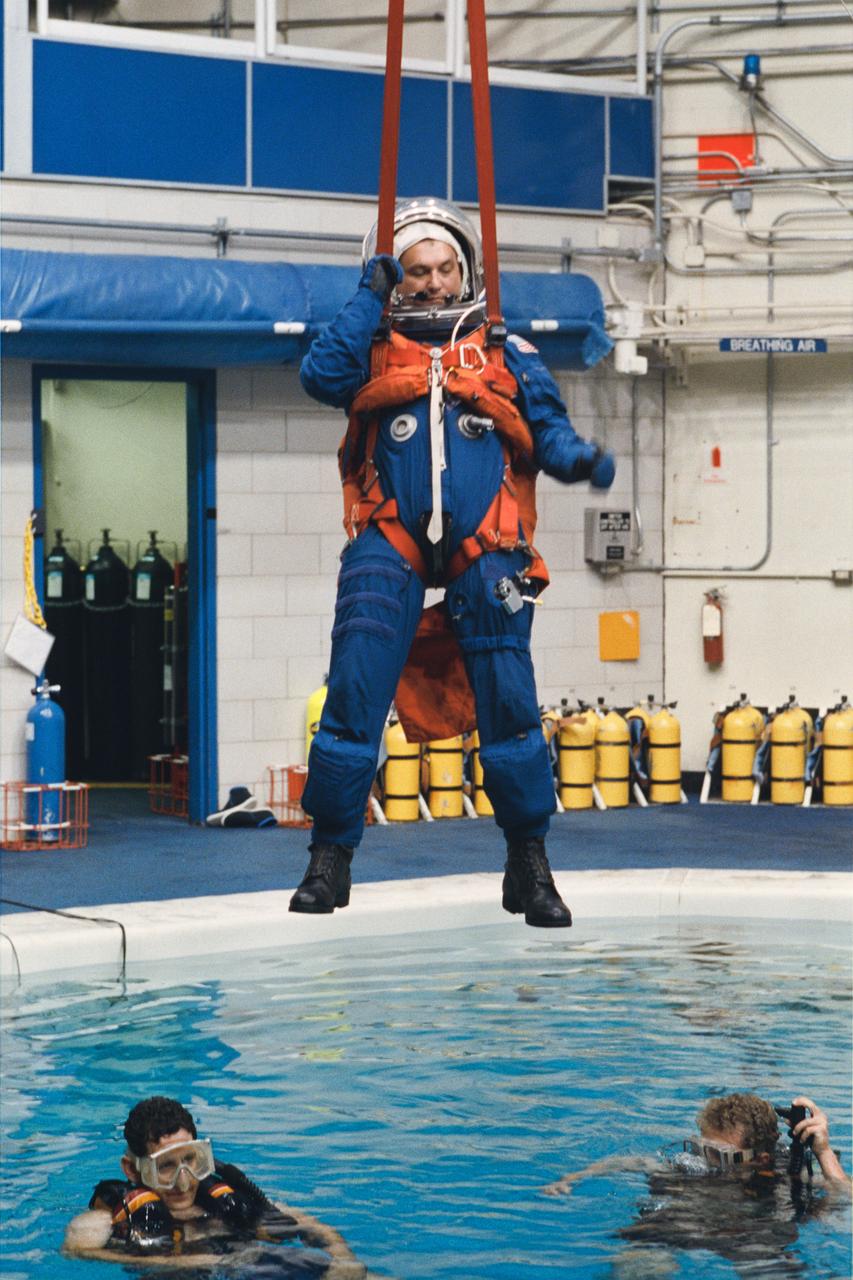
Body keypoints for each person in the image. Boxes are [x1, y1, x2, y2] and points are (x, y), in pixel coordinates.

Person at [291, 197, 615, 927]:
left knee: (509, 702)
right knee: (352, 690)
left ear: (464, 270)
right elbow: (319, 377)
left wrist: (582, 462)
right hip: (389, 536)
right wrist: (366, 299)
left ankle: (528, 864)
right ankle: (329, 858)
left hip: (486, 546)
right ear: (394, 279)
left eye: (444, 269)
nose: (433, 283)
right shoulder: (371, 347)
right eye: (414, 272)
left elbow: (548, 434)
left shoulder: (506, 353)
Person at [543, 1093, 850, 1277]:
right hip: (677, 1226)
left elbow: (846, 1197)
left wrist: (822, 1151)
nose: (705, 1160)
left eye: (718, 1154)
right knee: (636, 1267)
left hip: (752, 1237)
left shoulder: (788, 1174)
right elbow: (630, 1161)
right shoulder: (686, 1167)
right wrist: (572, 1179)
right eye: (700, 1147)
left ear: (760, 1158)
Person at [63, 1095, 364, 1275]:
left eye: (191, 1161)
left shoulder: (221, 1202)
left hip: (252, 1267)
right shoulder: (107, 1220)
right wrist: (190, 1262)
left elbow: (309, 1224)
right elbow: (76, 1252)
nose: (183, 1181)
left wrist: (344, 1259)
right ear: (132, 1169)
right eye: (166, 1167)